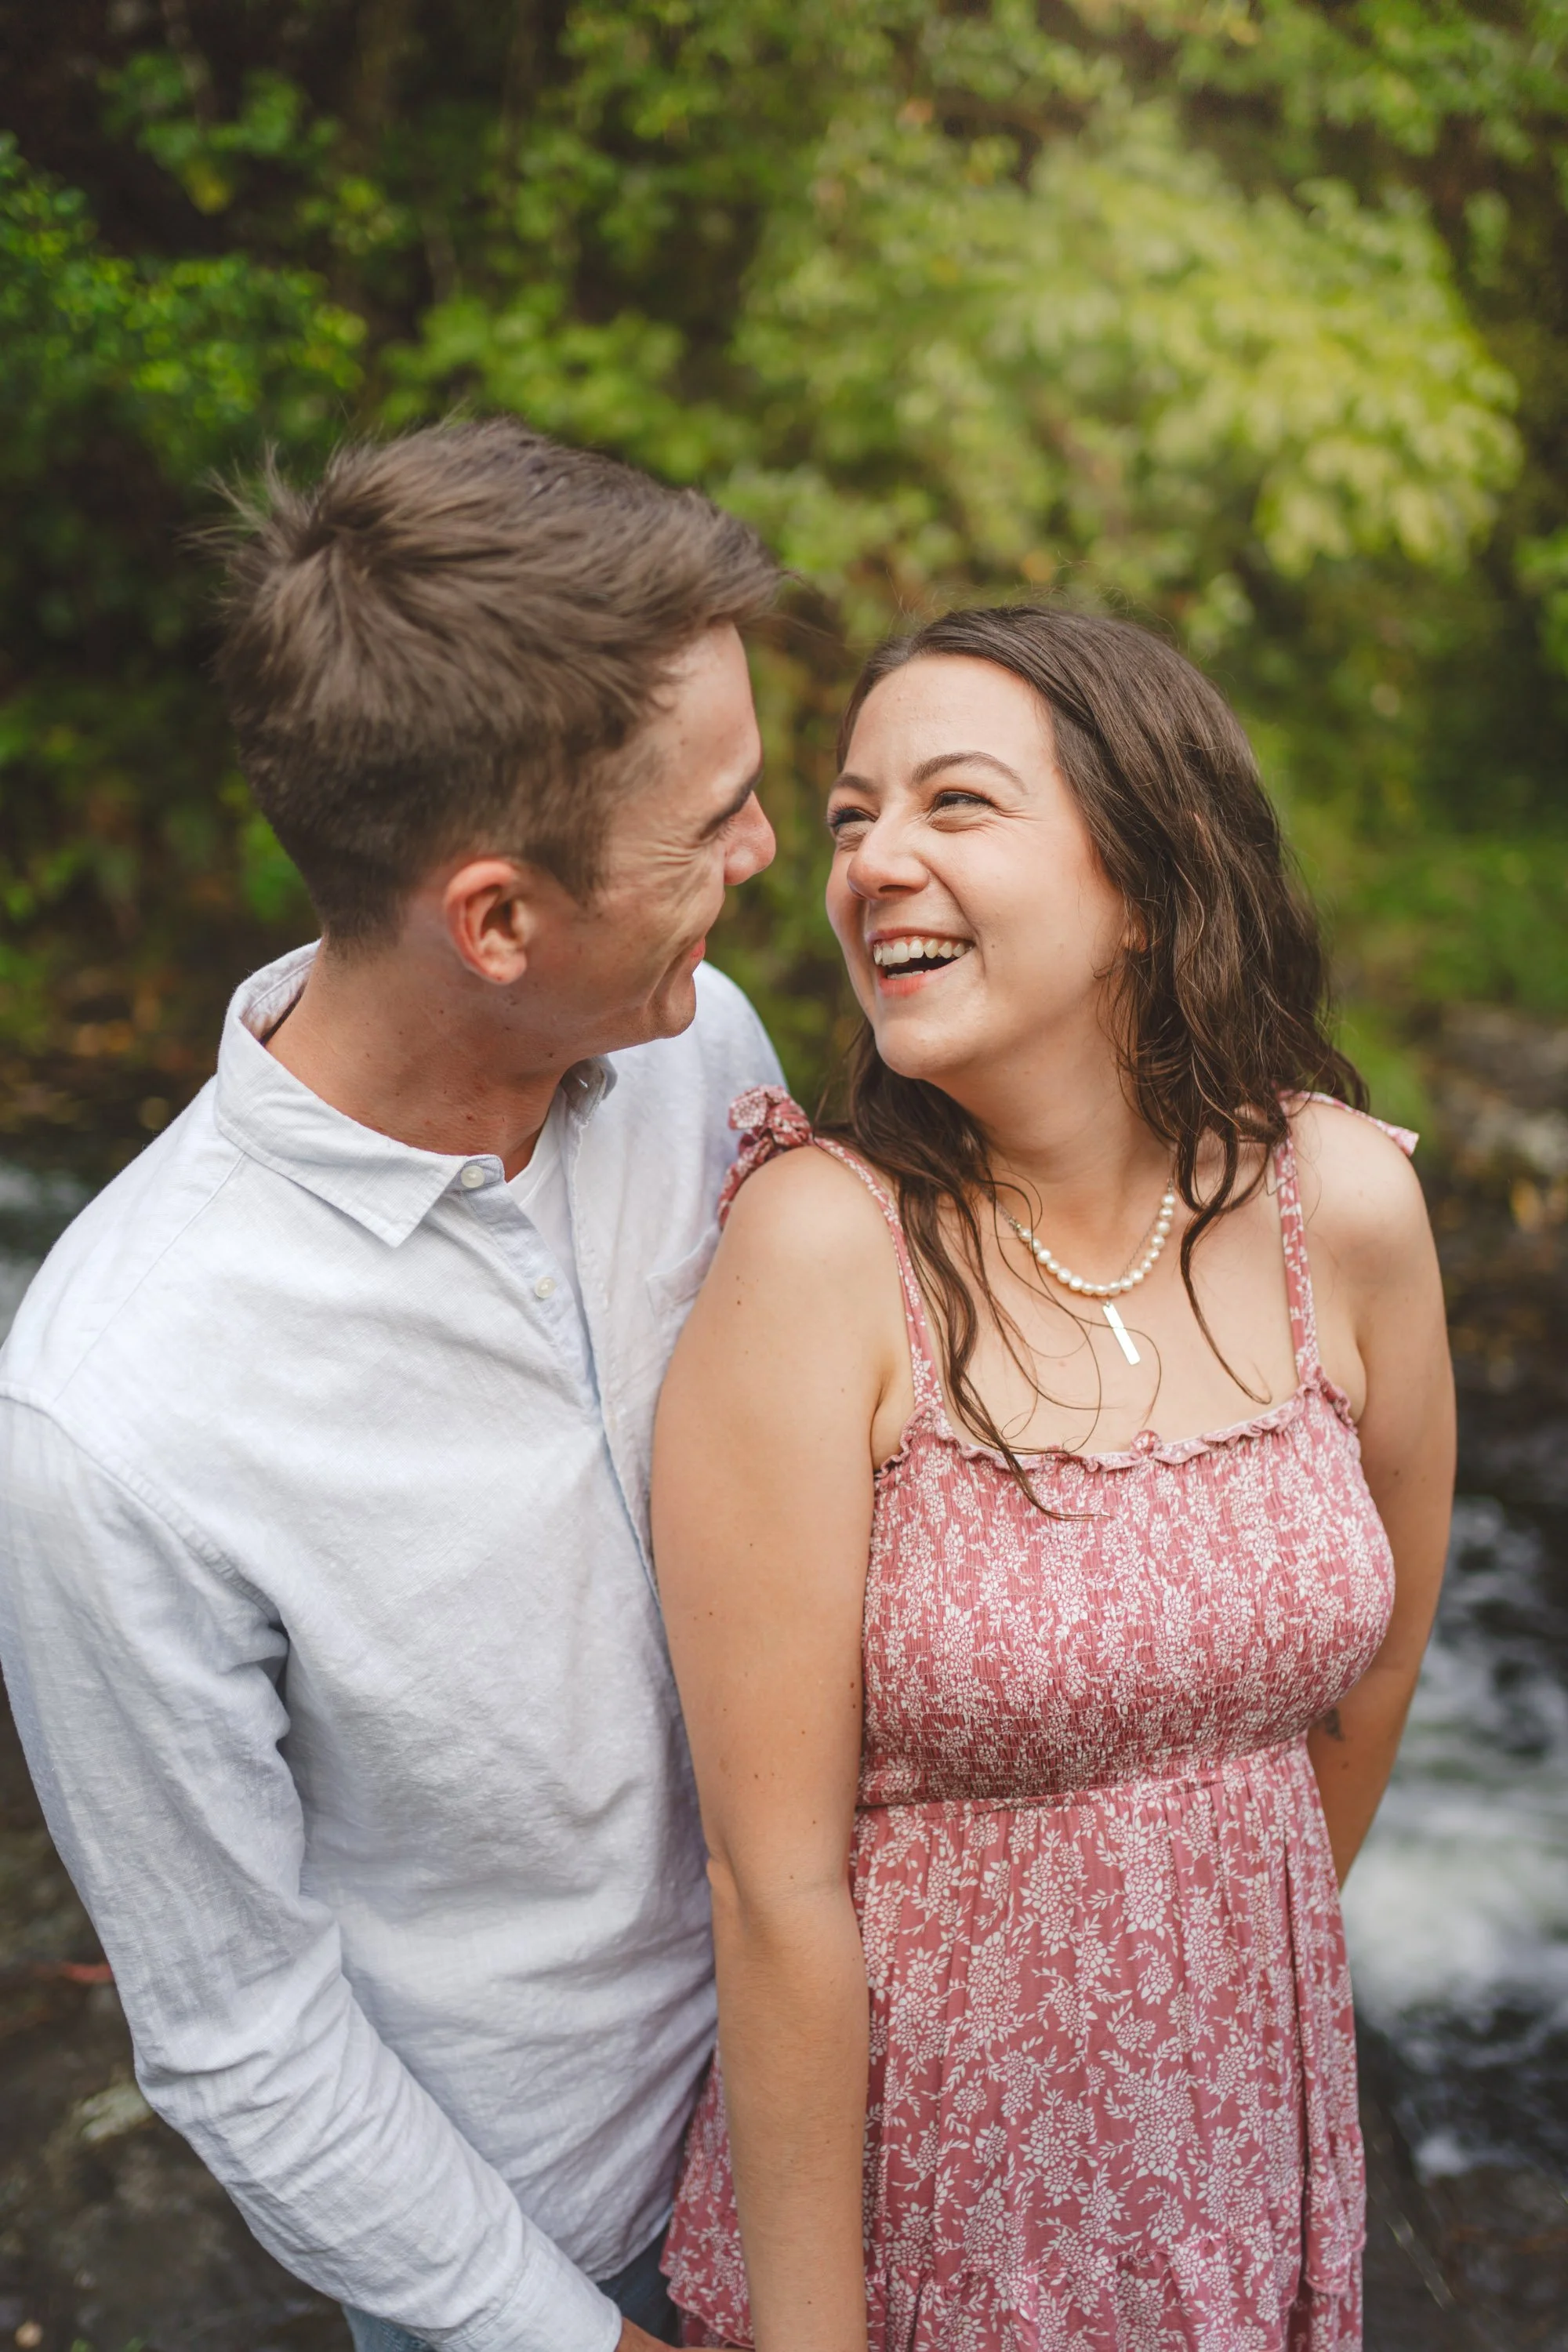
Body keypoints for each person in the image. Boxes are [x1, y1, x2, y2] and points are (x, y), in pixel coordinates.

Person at [0, 419, 786, 2352]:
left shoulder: (705, 1051)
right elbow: (238, 2024)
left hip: (861, 2110)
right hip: (556, 2253)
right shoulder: (117, 1417)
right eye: (713, 823)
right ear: (496, 918)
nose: (769, 856)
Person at [653, 607, 1454, 2351]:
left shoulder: (1344, 1207)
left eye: (956, 805)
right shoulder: (818, 1252)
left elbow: (1378, 1667)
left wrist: (1194, 1976)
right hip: (927, 2210)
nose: (874, 864)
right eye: (855, 817)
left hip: (1243, 2158)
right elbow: (765, 1885)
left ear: (1147, 883)